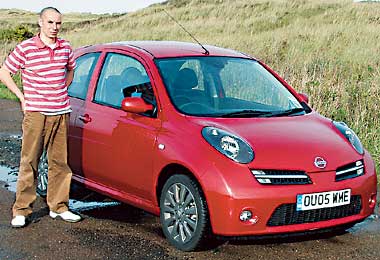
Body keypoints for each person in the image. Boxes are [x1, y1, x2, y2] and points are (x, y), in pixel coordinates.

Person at [0, 7, 81, 227]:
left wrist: (63, 87)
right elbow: (4, 72)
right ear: (40, 22)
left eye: (58, 23)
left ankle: (59, 207)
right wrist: (21, 98)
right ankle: (22, 210)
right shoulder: (26, 48)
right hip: (36, 113)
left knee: (60, 163)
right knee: (30, 162)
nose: (54, 28)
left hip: (61, 111)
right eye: (50, 23)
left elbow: (71, 69)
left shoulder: (65, 47)